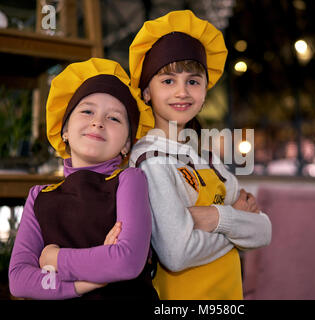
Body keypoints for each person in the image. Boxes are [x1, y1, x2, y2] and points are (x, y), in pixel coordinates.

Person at [128, 10, 272, 300]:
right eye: (168, 81)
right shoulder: (150, 161)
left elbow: (264, 230)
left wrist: (212, 217)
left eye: (193, 81)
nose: (182, 92)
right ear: (146, 92)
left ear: (205, 90)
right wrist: (235, 225)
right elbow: (176, 253)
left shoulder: (206, 158)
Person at [8, 58, 158, 300]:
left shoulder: (129, 180)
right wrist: (86, 282)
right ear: (64, 130)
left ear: (127, 145)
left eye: (115, 118)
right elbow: (19, 280)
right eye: (87, 111)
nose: (97, 122)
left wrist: (54, 258)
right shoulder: (40, 196)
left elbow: (127, 261)